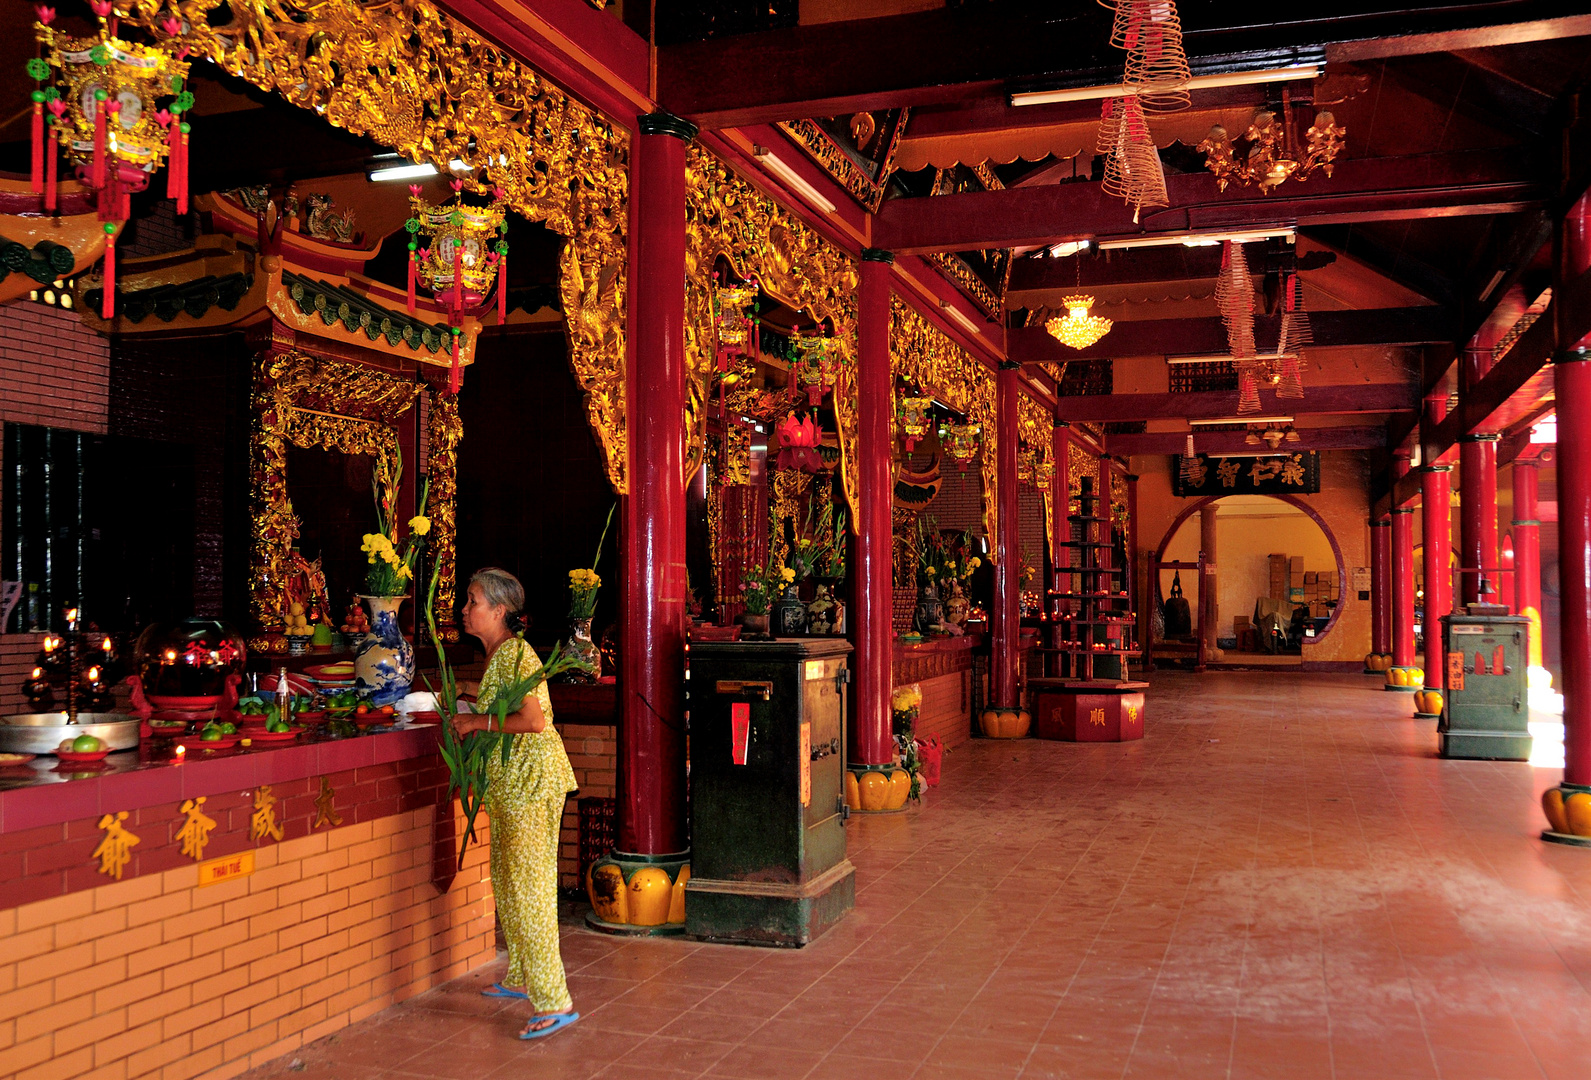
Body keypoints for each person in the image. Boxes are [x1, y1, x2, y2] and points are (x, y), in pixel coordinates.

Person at [456, 567, 579, 1041]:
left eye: (473, 601)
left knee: (530, 891)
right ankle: (522, 974)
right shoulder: (501, 656)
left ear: (500, 610)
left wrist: (474, 725)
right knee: (509, 882)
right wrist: (469, 702)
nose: (465, 610)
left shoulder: (515, 652)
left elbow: (531, 722)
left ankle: (555, 1001)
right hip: (511, 788)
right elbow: (505, 709)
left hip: (530, 786)